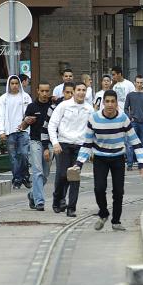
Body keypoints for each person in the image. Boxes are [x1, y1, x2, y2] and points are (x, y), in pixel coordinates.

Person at [76, 90, 143, 231]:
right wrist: (79, 163)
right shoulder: (94, 119)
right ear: (103, 103)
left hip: (118, 158)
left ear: (116, 104)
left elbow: (135, 141)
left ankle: (116, 221)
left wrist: (142, 163)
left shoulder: (123, 118)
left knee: (118, 191)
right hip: (100, 158)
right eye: (107, 101)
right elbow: (87, 143)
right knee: (99, 188)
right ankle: (103, 213)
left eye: (112, 101)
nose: (109, 104)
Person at [48, 81, 93, 217]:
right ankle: (57, 199)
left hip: (80, 146)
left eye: (83, 90)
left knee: (74, 176)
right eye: (78, 90)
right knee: (62, 175)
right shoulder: (63, 106)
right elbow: (52, 125)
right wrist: (55, 142)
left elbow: (92, 130)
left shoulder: (89, 109)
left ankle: (71, 207)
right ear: (73, 91)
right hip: (63, 144)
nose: (81, 92)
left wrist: (91, 149)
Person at [20, 81, 54, 211]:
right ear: (38, 91)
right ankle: (40, 201)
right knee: (37, 172)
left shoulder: (53, 106)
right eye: (42, 91)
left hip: (50, 143)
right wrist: (26, 121)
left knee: (45, 174)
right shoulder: (32, 107)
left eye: (47, 91)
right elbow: (23, 126)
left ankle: (32, 194)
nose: (45, 94)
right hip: (35, 141)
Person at [0, 75, 32, 189]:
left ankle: (25, 175)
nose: (14, 86)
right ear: (9, 84)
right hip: (9, 132)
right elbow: (1, 116)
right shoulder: (3, 98)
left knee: (23, 154)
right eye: (12, 83)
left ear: (20, 84)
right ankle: (17, 179)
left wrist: (28, 127)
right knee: (13, 157)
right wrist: (1, 131)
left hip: (23, 131)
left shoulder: (26, 97)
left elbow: (29, 114)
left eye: (16, 83)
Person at [124, 75, 143, 170]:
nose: (139, 84)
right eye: (138, 82)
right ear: (134, 83)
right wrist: (129, 117)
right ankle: (130, 164)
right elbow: (125, 108)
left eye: (141, 82)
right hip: (133, 122)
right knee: (131, 143)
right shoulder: (130, 95)